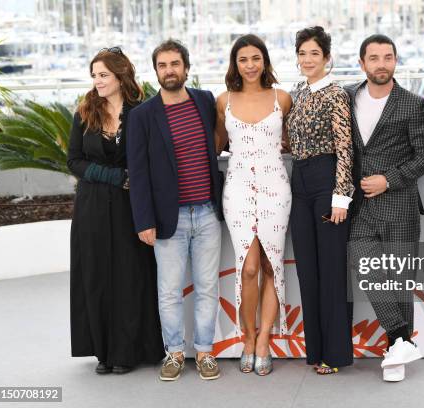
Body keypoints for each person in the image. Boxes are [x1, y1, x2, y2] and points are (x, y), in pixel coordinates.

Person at [126, 39, 223, 382]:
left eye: (175, 64)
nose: (169, 70)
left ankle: (206, 351)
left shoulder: (205, 101)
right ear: (156, 72)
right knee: (169, 291)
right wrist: (144, 220)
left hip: (208, 213)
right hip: (170, 218)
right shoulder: (142, 116)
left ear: (186, 68)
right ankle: (175, 353)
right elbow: (137, 173)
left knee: (208, 286)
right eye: (163, 65)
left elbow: (220, 142)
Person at [67, 47, 164, 375]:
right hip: (91, 207)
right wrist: (112, 176)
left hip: (129, 207)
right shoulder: (84, 112)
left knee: (129, 275)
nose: (97, 81)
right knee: (96, 276)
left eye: (103, 75)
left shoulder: (141, 112)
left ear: (121, 76)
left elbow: (151, 158)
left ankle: (127, 351)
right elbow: (74, 160)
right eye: (94, 75)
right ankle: (103, 353)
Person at [344, 34, 424, 382]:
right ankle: (401, 339)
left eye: (387, 57)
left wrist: (389, 179)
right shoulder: (348, 97)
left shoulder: (413, 104)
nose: (381, 64)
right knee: (363, 264)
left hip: (399, 204)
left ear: (395, 61)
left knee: (399, 281)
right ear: (362, 63)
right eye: (374, 58)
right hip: (360, 206)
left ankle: (395, 359)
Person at [215, 34, 292, 376]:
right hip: (238, 188)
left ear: (264, 61)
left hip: (276, 186)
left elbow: (291, 140)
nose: (250, 65)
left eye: (255, 58)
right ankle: (247, 338)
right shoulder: (223, 101)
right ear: (235, 63)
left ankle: (264, 341)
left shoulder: (283, 98)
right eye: (243, 59)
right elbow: (216, 145)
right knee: (248, 267)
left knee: (272, 266)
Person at [286, 26, 354, 375]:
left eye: (314, 53)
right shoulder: (297, 93)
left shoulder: (336, 94)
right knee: (308, 270)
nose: (307, 59)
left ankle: (336, 354)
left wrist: (342, 196)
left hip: (327, 180)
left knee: (330, 270)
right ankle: (315, 351)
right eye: (302, 53)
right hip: (298, 180)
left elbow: (345, 148)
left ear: (326, 58)